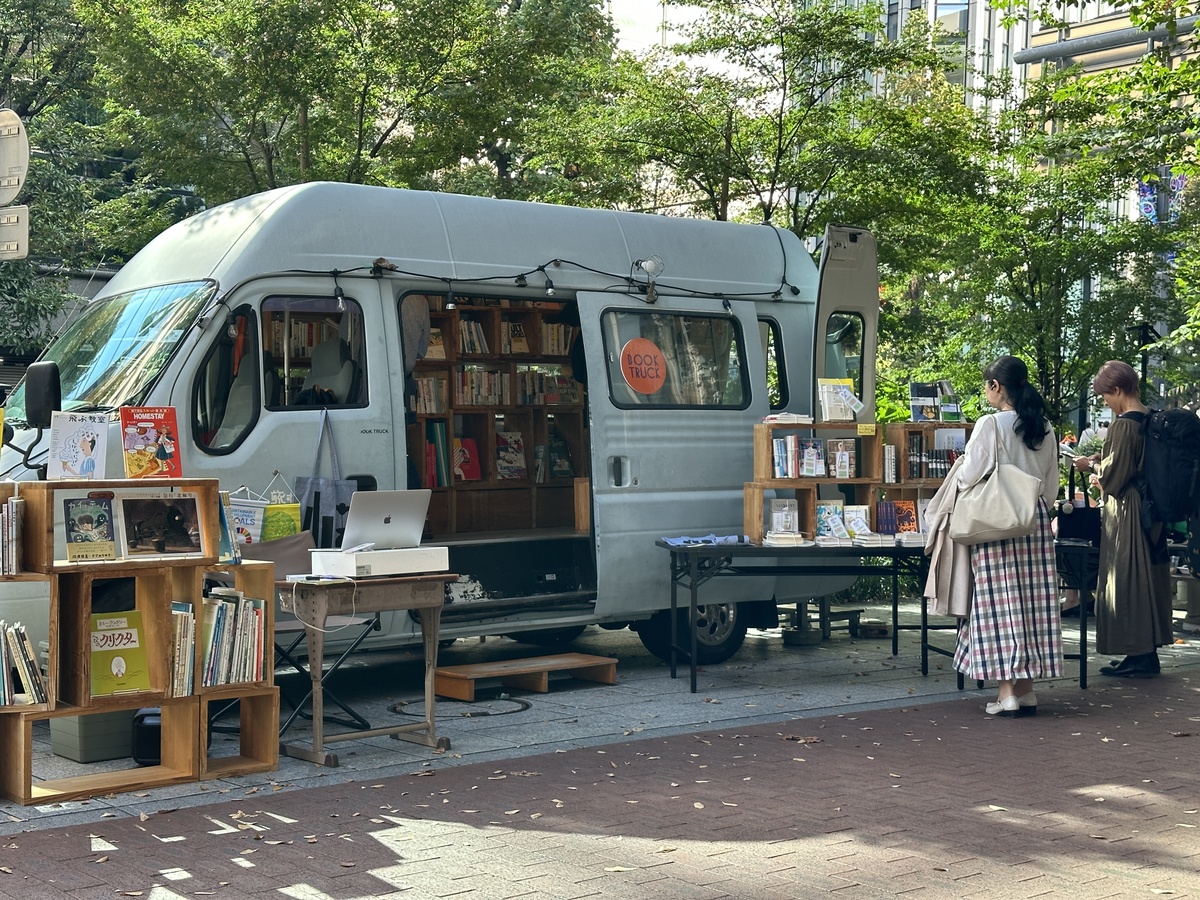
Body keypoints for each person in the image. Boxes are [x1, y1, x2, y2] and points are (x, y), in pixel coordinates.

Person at [953, 356, 1062, 716]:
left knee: (998, 606)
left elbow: (969, 476)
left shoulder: (990, 425)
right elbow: (1050, 486)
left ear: (996, 386)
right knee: (1034, 606)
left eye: (987, 385)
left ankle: (1005, 694)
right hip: (1034, 523)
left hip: (997, 524)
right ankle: (1027, 689)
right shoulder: (1044, 427)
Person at [1072, 360, 1171, 677]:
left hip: (1128, 513)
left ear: (1117, 390)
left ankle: (1138, 654)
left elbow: (1114, 479)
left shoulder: (1123, 425)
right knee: (1147, 580)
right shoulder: (1150, 419)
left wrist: (1091, 466)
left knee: (1126, 580)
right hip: (1152, 511)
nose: (1105, 402)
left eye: (1104, 395)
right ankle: (1144, 653)